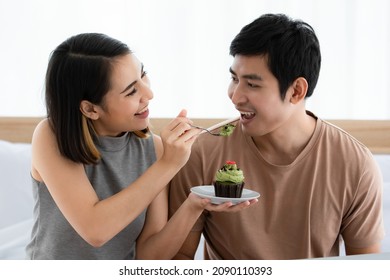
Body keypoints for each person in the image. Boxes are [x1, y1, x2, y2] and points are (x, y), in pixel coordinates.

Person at [168, 13, 385, 260]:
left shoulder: (355, 164)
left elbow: (365, 267)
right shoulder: (202, 151)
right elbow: (180, 260)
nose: (235, 96)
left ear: (296, 91)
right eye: (234, 79)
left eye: (252, 85)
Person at [25, 33, 253, 260]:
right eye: (131, 91)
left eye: (143, 75)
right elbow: (95, 230)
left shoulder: (152, 148)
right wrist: (167, 165)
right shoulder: (51, 136)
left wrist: (194, 204)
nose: (149, 94)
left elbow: (148, 258)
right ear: (90, 109)